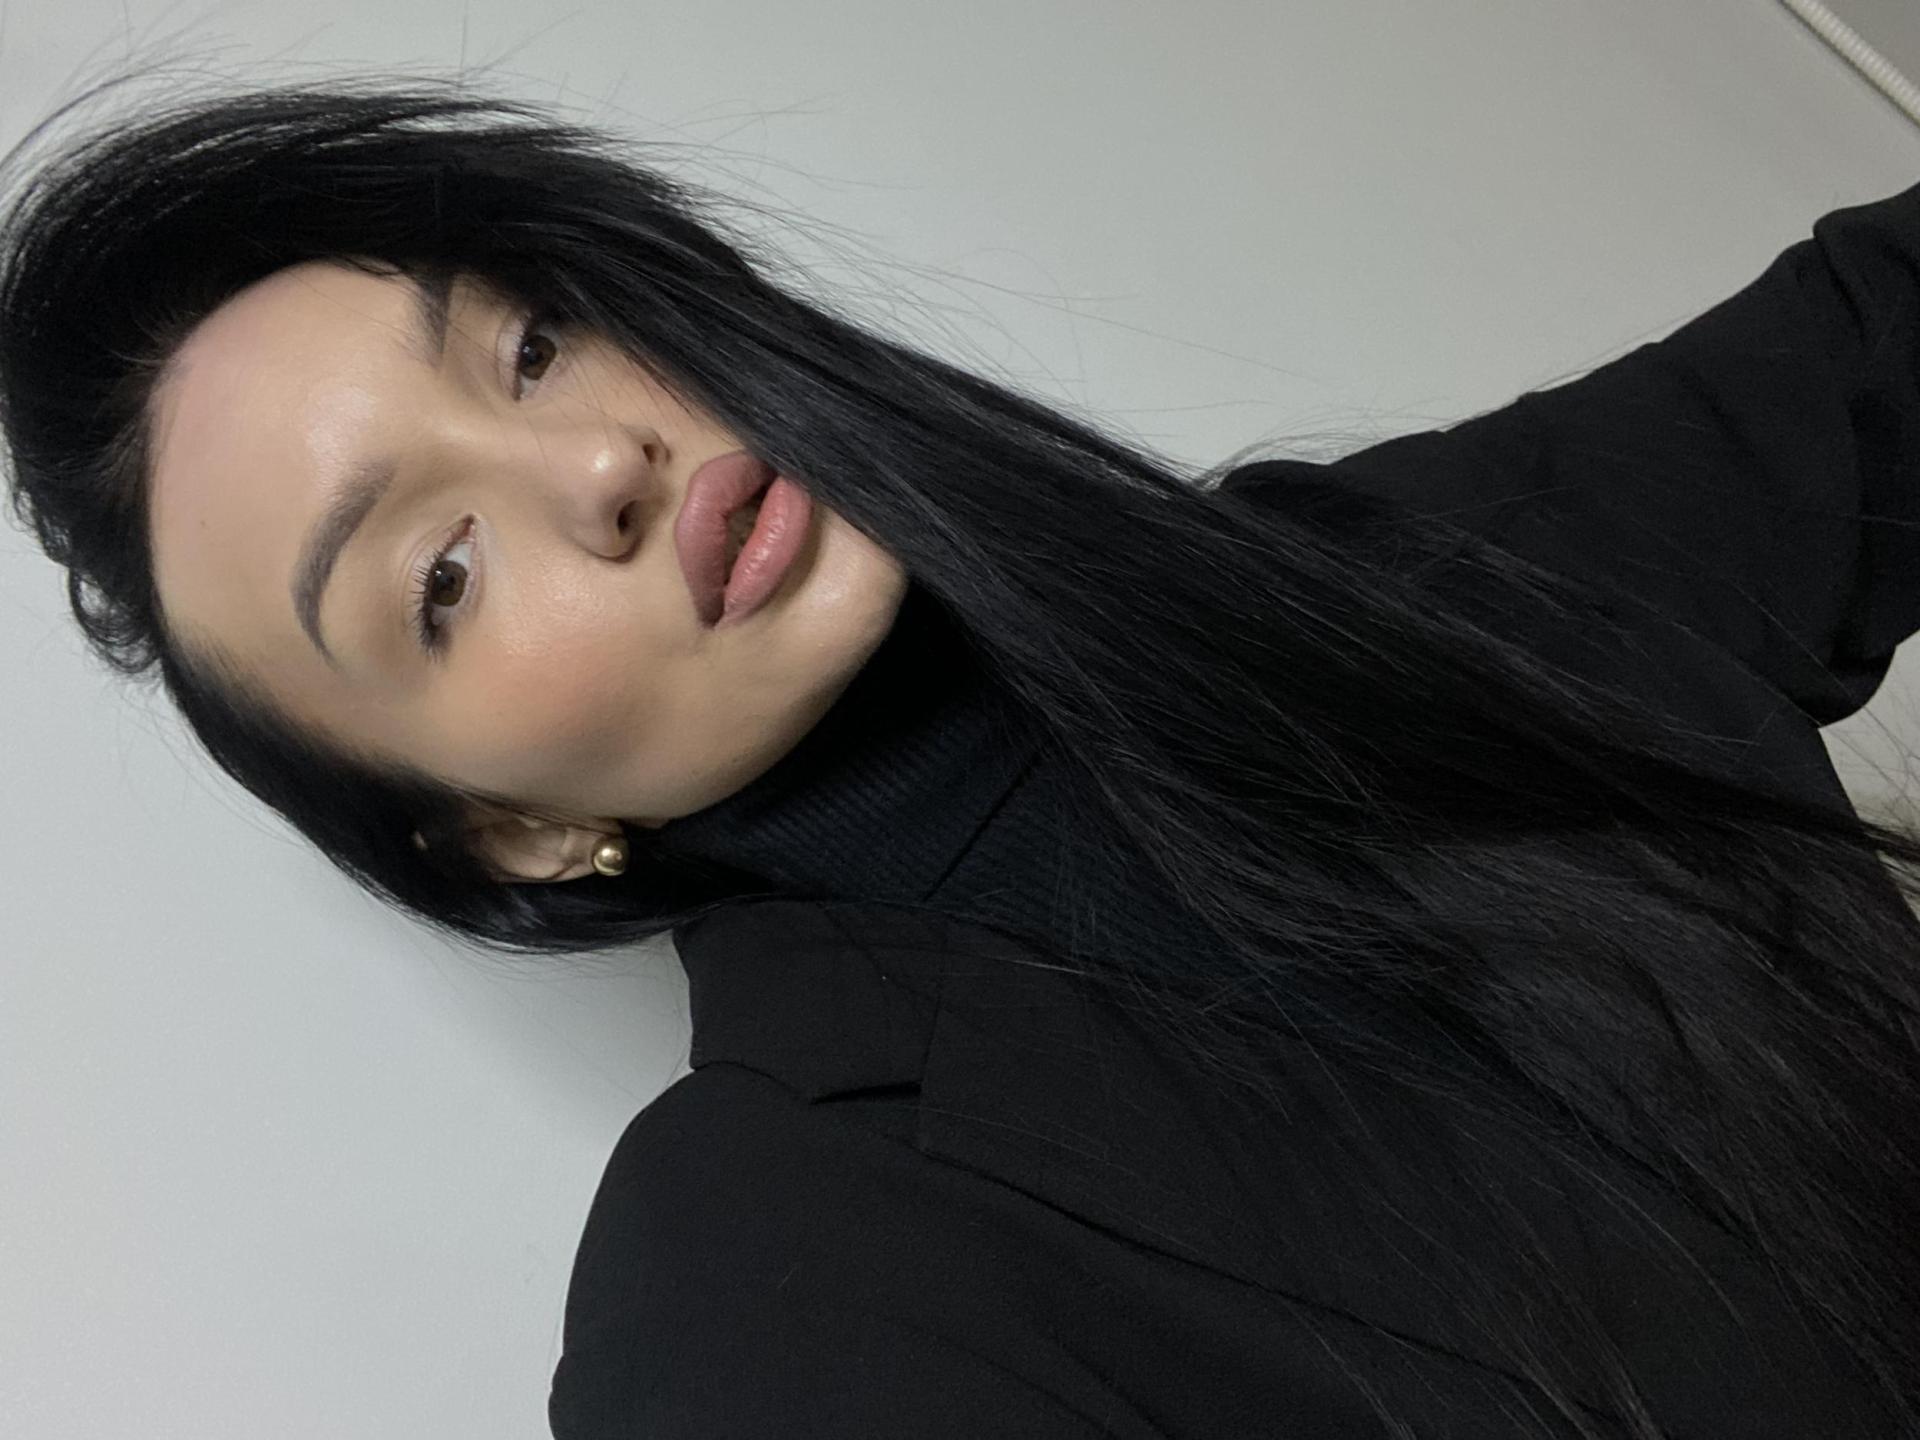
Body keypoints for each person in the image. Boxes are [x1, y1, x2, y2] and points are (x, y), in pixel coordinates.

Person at [3, 73, 1918, 1439]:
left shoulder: (1360, 591)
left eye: (534, 342)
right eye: (440, 575)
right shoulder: (762, 1310)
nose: (597, 462)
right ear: (506, 832)